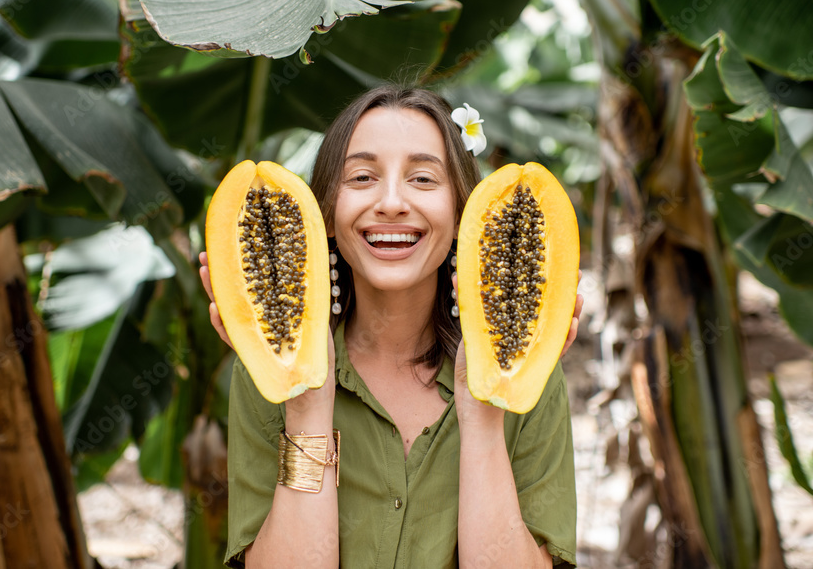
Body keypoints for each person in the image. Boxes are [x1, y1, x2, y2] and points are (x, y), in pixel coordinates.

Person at [198, 84, 583, 568]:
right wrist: (304, 409)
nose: (392, 202)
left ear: (465, 212)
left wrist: (484, 416)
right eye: (362, 177)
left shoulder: (531, 374)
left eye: (423, 179)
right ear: (326, 217)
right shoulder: (268, 375)